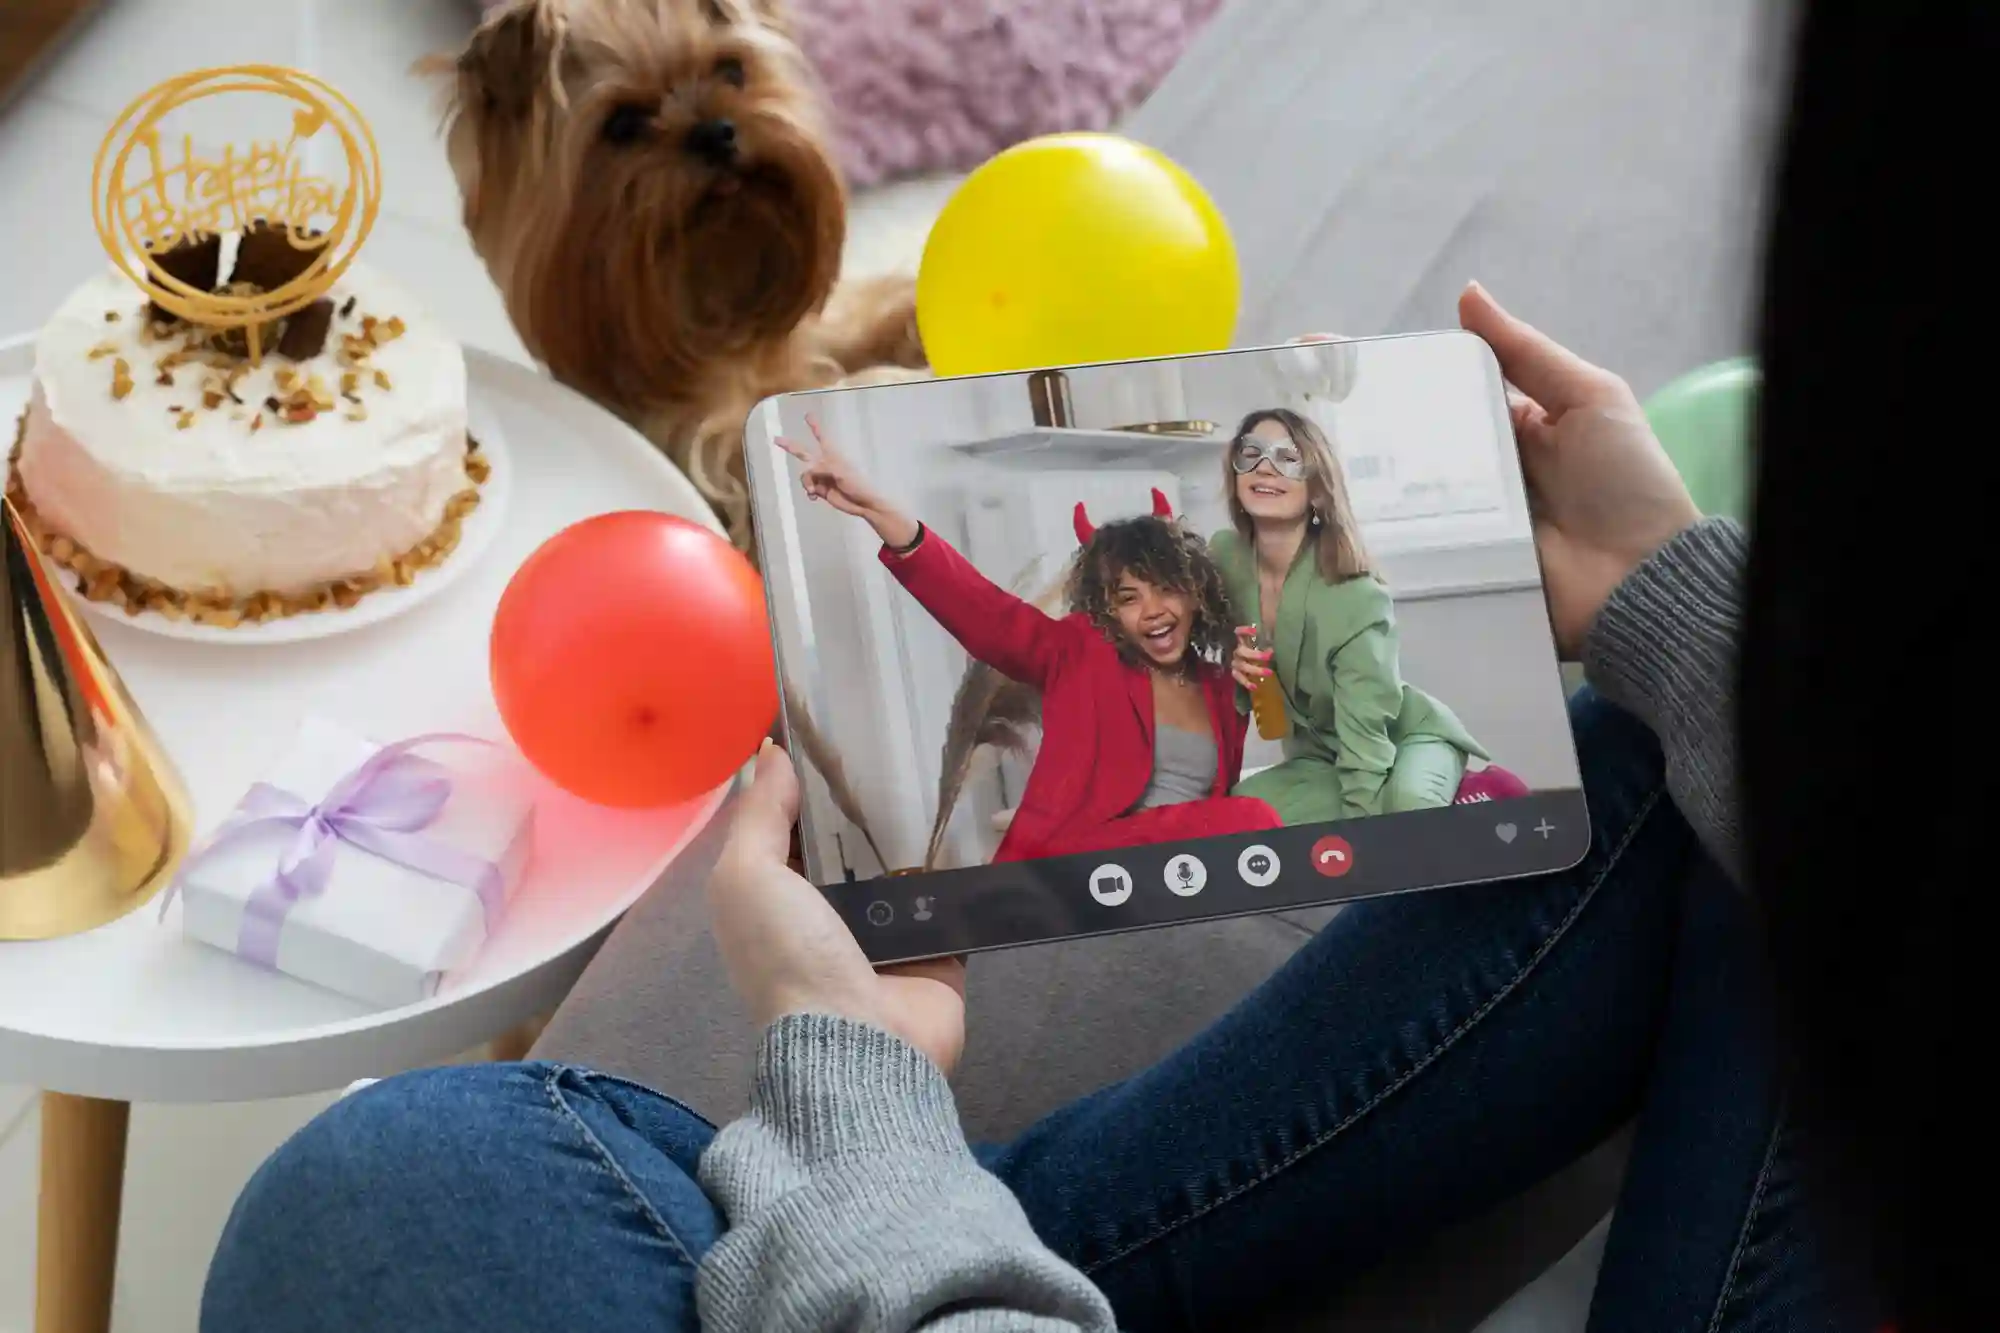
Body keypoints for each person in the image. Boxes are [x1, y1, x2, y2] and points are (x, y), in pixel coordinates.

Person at [775, 419, 1281, 861]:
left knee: (1258, 816)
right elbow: (984, 613)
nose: (1152, 611)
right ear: (1109, 612)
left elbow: (1290, 725)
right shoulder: (1081, 653)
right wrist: (879, 510)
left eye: (1166, 590)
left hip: (1182, 878)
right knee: (1252, 817)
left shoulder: (1221, 685)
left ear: (1195, 595)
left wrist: (1266, 674)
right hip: (1081, 866)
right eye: (1129, 598)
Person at [1210, 407, 1490, 821]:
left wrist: (1363, 840)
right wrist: (1232, 659)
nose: (1264, 467)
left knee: (1409, 815)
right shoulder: (1225, 557)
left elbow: (1367, 737)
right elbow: (1198, 632)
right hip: (1320, 756)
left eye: (1288, 458)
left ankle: (1481, 792)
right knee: (1241, 813)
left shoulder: (1356, 597)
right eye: (1250, 453)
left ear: (1318, 490)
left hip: (1397, 741)